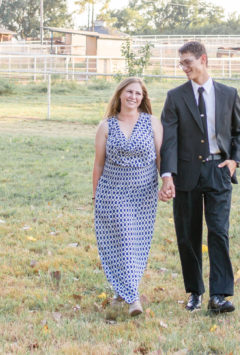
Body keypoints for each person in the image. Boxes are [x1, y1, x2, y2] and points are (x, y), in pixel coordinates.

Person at [159, 41, 240, 314]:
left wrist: (234, 160)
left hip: (218, 171)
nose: (183, 68)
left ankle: (219, 295)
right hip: (186, 174)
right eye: (181, 63)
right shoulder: (175, 97)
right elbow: (169, 140)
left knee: (219, 232)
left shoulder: (228, 94)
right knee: (188, 235)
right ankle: (195, 292)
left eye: (188, 62)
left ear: (203, 59)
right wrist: (167, 176)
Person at [92, 76, 162, 316]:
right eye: (129, 92)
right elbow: (98, 164)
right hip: (113, 192)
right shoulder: (106, 126)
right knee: (121, 239)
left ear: (143, 98)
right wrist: (96, 197)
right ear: (120, 94)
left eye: (138, 93)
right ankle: (134, 300)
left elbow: (160, 157)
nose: (133, 97)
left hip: (143, 194)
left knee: (135, 243)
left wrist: (167, 182)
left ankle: (121, 293)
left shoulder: (152, 123)